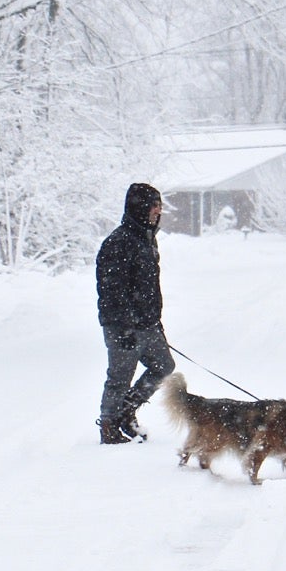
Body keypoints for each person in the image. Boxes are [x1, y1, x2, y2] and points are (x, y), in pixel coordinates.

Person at [95, 182, 175, 444]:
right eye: (154, 206)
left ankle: (127, 409)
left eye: (159, 206)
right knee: (119, 376)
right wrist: (125, 326)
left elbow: (149, 287)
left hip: (148, 324)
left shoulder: (147, 241)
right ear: (139, 208)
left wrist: (155, 321)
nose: (158, 211)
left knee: (164, 366)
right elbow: (110, 290)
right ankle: (109, 425)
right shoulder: (118, 243)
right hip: (122, 327)